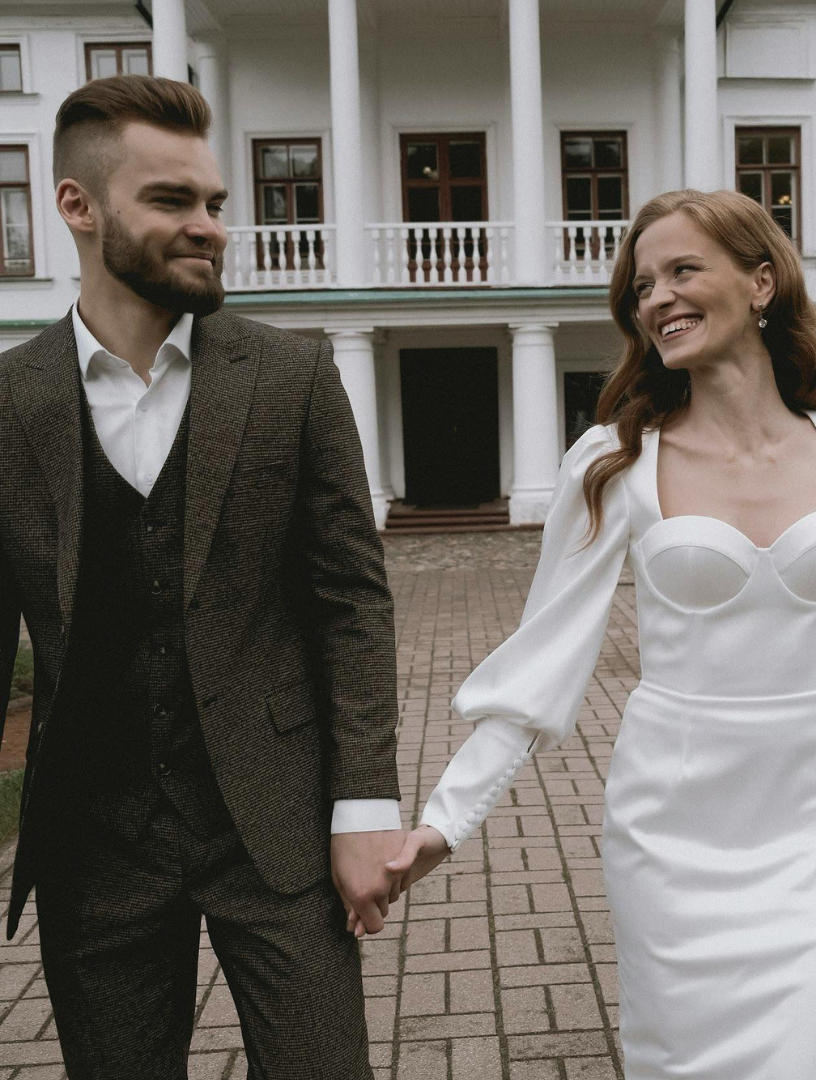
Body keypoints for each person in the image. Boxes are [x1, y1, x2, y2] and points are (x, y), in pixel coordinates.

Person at [387, 189, 816, 1078]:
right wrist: (443, 823)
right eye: (643, 285)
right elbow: (540, 669)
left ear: (762, 283)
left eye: (683, 270)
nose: (657, 299)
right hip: (670, 828)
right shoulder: (616, 461)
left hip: (810, 822)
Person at [0, 75, 403, 1079]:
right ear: (78, 208)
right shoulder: (8, 404)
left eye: (216, 204)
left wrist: (364, 809)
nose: (211, 227)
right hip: (96, 841)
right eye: (173, 202)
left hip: (277, 825)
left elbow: (351, 601)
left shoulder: (292, 376)